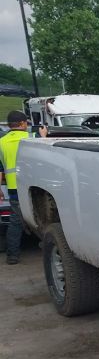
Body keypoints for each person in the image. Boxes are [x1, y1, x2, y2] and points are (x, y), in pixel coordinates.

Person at [0, 110, 46, 264]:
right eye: (26, 122)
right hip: (33, 187)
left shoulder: (1, 142)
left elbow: (0, 169)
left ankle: (12, 256)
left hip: (14, 188)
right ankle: (47, 250)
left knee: (15, 221)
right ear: (22, 124)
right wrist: (43, 136)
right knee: (42, 217)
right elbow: (43, 156)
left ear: (8, 125)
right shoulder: (31, 138)